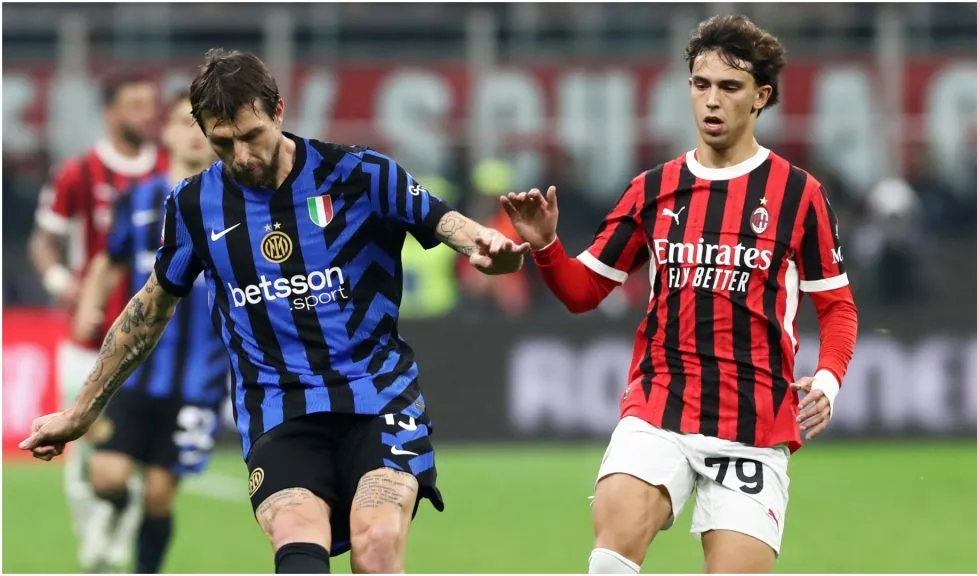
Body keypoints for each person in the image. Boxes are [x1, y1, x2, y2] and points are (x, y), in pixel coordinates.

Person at [20, 48, 529, 575]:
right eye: (222, 142)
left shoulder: (361, 174)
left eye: (251, 135)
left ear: (279, 111)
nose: (241, 156)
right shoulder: (194, 206)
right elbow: (149, 308)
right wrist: (80, 411)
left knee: (375, 545)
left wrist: (488, 250)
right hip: (278, 408)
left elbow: (455, 228)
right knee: (295, 539)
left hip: (377, 396)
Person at [500, 14, 858, 574]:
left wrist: (830, 381)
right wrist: (547, 245)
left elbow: (836, 306)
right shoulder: (653, 189)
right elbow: (583, 291)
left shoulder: (798, 194)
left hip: (755, 427)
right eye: (701, 84)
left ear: (761, 96)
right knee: (611, 552)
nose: (711, 100)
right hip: (659, 408)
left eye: (729, 87)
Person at [70, 90, 228, 573]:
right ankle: (115, 510)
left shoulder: (236, 204)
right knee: (107, 478)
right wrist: (90, 306)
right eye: (185, 122)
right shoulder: (139, 201)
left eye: (204, 125)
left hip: (201, 378)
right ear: (167, 131)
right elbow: (109, 261)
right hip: (136, 370)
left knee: (160, 494)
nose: (194, 134)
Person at [27, 71, 167, 572]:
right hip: (87, 337)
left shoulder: (172, 172)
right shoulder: (78, 172)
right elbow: (43, 238)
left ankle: (115, 548)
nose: (144, 114)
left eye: (149, 103)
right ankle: (92, 536)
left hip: (152, 341)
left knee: (132, 454)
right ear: (109, 111)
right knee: (75, 448)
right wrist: (65, 283)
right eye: (132, 104)